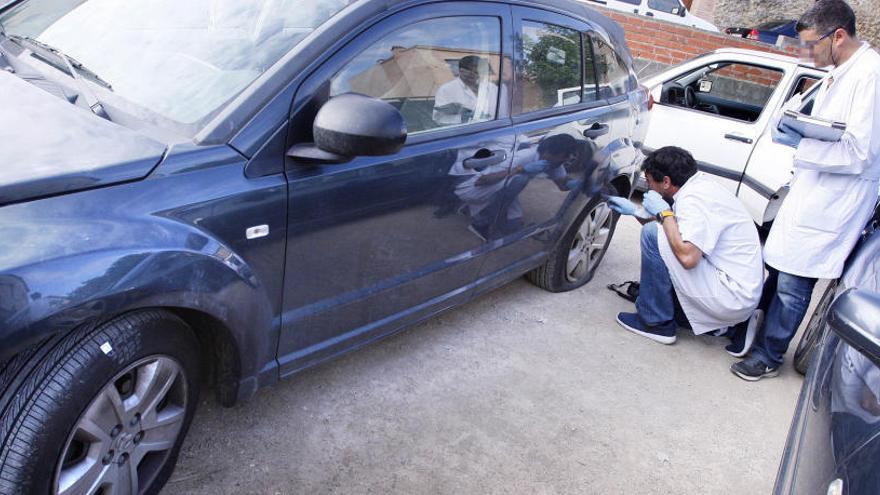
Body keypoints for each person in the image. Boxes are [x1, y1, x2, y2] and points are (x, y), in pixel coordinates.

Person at [731, 0, 880, 381]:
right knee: (778, 272)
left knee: (794, 285)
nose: (808, 52)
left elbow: (861, 153)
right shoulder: (838, 71)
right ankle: (750, 336)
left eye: (813, 44)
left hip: (834, 202)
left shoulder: (871, 76)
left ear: (839, 35)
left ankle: (769, 355)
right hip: (811, 194)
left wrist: (804, 145)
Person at [608, 147, 764, 345]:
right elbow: (670, 232)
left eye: (649, 182)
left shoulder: (693, 201)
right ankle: (724, 327)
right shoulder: (698, 186)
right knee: (658, 233)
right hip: (736, 291)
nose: (648, 188)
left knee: (651, 234)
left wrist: (664, 214)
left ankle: (655, 323)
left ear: (666, 181)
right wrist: (636, 212)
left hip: (729, 295)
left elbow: (688, 258)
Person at [433, 55, 498, 126]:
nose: (474, 75)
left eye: (477, 72)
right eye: (470, 71)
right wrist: (463, 118)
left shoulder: (492, 88)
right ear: (460, 71)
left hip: (493, 130)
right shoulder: (446, 89)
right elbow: (438, 118)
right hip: (463, 132)